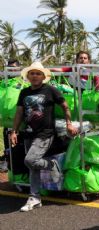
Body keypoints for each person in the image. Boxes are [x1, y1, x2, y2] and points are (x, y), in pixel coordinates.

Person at [10, 62, 78, 212]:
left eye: (38, 73)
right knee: (32, 167)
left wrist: (69, 124)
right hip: (28, 133)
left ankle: (51, 164)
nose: (35, 76)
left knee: (30, 160)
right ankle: (35, 198)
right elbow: (19, 113)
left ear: (43, 76)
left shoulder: (50, 90)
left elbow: (65, 106)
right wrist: (14, 131)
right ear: (28, 76)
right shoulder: (24, 92)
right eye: (32, 73)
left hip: (45, 134)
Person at [1, 59, 21, 172]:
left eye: (14, 67)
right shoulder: (4, 83)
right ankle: (7, 161)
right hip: (7, 118)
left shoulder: (23, 82)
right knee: (6, 138)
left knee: (19, 140)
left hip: (19, 118)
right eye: (10, 67)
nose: (12, 69)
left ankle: (16, 161)